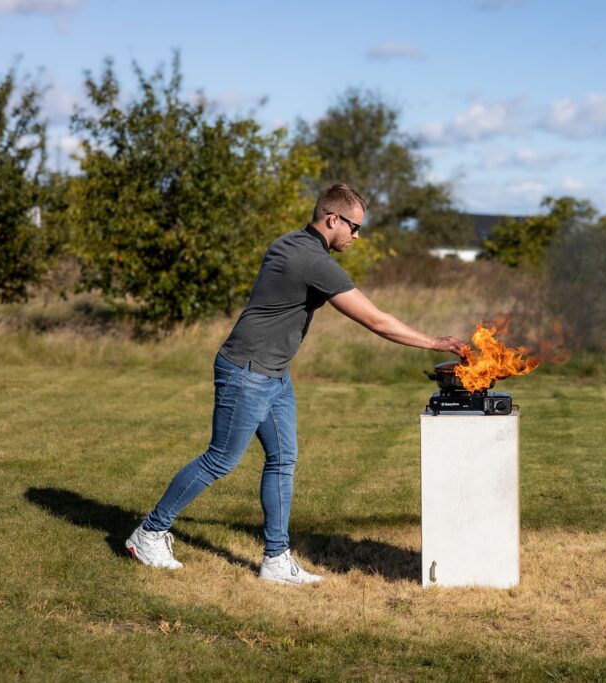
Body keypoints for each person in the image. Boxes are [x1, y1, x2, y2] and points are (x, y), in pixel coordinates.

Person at [125, 184, 463, 584]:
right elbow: (374, 319)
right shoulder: (311, 259)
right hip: (247, 372)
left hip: (274, 374)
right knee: (220, 459)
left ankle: (275, 559)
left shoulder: (294, 243)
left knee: (283, 460)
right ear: (332, 219)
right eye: (354, 227)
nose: (357, 236)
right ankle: (149, 533)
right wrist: (434, 343)